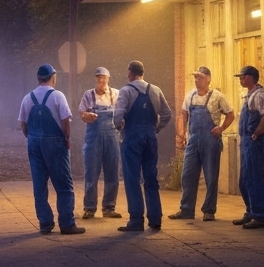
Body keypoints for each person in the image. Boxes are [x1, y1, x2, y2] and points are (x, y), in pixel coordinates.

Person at [18, 63, 85, 235]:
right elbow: (65, 121)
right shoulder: (57, 96)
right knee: (63, 185)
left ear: (38, 78)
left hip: (34, 142)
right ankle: (67, 224)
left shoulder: (27, 98)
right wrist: (67, 138)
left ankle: (45, 223)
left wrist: (33, 138)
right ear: (53, 77)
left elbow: (23, 125)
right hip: (55, 143)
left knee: (39, 186)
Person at [168, 66, 234, 222]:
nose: (197, 80)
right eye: (195, 77)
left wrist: (221, 128)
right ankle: (186, 209)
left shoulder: (217, 96)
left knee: (211, 176)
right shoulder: (190, 95)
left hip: (210, 140)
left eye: (200, 77)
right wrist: (181, 133)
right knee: (187, 175)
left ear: (208, 79)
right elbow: (183, 114)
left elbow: (230, 114)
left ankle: (209, 210)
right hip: (193, 141)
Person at [114, 60, 172, 232]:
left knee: (132, 179)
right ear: (143, 73)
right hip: (150, 136)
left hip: (132, 137)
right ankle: (155, 219)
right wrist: (156, 129)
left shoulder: (126, 91)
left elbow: (117, 116)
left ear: (130, 73)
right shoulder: (155, 90)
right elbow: (167, 114)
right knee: (151, 178)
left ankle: (136, 220)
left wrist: (120, 127)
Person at [78, 66, 121, 219]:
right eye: (98, 77)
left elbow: (122, 114)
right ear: (95, 79)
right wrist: (87, 115)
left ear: (108, 78)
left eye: (104, 77)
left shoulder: (116, 94)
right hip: (93, 138)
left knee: (112, 173)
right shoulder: (88, 95)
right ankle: (89, 208)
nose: (101, 80)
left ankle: (109, 208)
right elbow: (82, 114)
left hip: (112, 137)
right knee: (91, 173)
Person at [234, 65, 264, 229]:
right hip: (246, 142)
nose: (241, 80)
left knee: (254, 178)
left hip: (254, 142)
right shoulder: (248, 95)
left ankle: (260, 215)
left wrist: (256, 133)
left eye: (242, 77)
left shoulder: (260, 95)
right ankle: (250, 212)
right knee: (245, 180)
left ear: (250, 77)